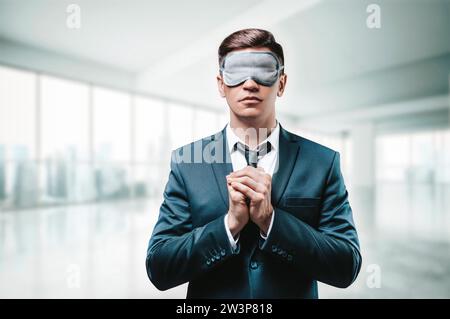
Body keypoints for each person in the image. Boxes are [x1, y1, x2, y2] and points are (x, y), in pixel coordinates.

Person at [146, 28, 362, 298]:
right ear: (221, 83)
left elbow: (346, 266)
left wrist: (272, 221)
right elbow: (159, 267)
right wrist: (228, 226)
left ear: (281, 84)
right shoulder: (186, 163)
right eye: (236, 72)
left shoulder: (323, 162)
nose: (249, 84)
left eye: (263, 70)